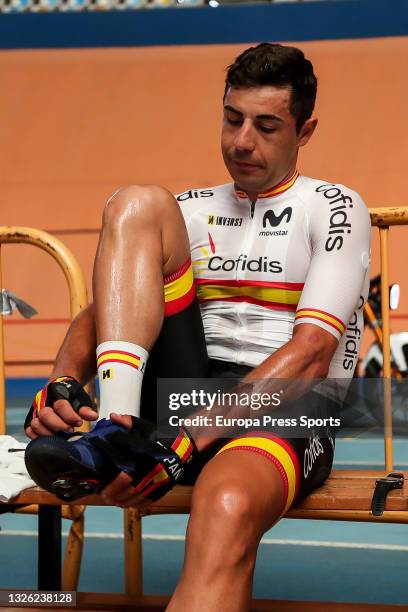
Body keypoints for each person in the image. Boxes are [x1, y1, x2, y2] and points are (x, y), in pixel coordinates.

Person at [24, 43, 371, 611]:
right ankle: (116, 429)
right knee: (137, 202)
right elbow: (100, 315)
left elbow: (312, 354)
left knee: (228, 504)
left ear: (304, 131)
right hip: (179, 396)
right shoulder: (188, 209)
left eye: (265, 126)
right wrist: (62, 382)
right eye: (232, 119)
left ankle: (131, 443)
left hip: (285, 408)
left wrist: (191, 438)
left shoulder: (334, 207)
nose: (241, 141)